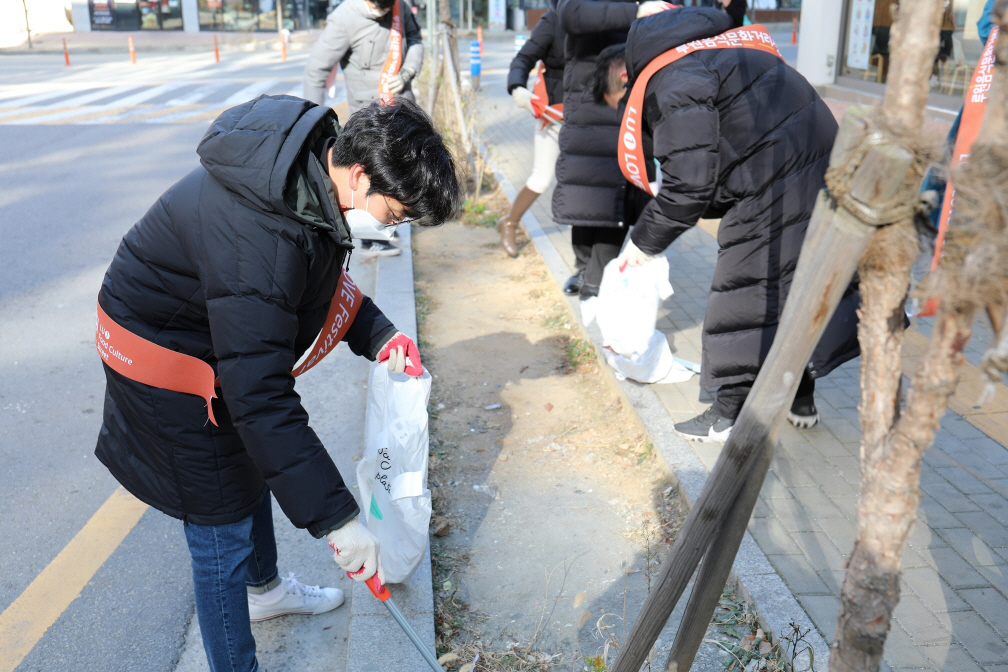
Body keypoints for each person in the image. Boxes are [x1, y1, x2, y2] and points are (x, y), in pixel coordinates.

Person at [94, 96, 460, 671]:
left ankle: (265, 592)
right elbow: (260, 397)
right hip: (164, 358)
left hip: (211, 338)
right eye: (395, 215)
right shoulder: (259, 235)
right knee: (221, 522)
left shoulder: (308, 172)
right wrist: (338, 519)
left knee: (252, 458)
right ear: (360, 175)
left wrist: (379, 334)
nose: (392, 227)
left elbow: (317, 280)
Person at [595, 6, 859, 442]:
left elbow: (688, 187)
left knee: (745, 287)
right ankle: (800, 394)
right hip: (814, 158)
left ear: (627, 76)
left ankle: (731, 412)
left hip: (777, 173)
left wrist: (641, 245)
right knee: (793, 280)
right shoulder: (706, 52)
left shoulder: (672, 81)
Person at [553, 0, 667, 298]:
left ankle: (594, 282)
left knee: (617, 197)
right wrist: (636, 12)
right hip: (591, 106)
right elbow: (571, 14)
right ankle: (585, 271)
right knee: (587, 194)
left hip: (628, 104)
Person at [303, 0, 424, 258]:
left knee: (397, 177)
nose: (385, 13)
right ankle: (371, 239)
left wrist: (408, 71)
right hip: (369, 121)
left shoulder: (399, 7)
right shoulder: (345, 18)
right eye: (379, 9)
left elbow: (415, 38)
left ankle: (389, 222)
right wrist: (311, 127)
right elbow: (316, 71)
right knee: (370, 180)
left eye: (388, 8)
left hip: (400, 114)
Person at [500, 0, 566, 258]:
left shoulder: (604, 19)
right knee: (541, 177)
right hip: (554, 114)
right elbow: (523, 58)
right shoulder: (554, 20)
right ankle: (510, 223)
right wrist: (518, 87)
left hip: (592, 116)